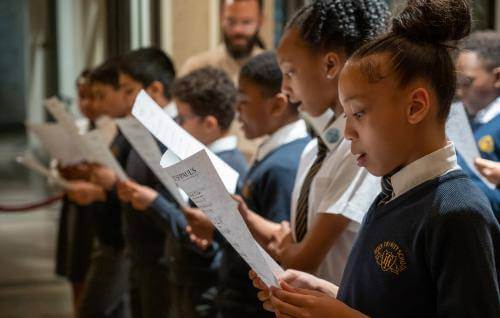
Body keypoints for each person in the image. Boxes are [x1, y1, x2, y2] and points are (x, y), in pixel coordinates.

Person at [252, 0, 500, 317]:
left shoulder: (457, 210)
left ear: (415, 107)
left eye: (357, 113)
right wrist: (324, 292)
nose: (347, 132)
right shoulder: (391, 193)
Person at [229, 0, 388, 287]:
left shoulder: (361, 151)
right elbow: (297, 240)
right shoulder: (315, 148)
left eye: (290, 72)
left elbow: (303, 260)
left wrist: (286, 247)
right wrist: (246, 218)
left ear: (330, 64)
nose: (285, 88)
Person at [187, 52, 310, 318]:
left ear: (277, 106)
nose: (236, 111)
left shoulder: (284, 166)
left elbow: (276, 249)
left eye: (242, 102)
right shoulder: (272, 153)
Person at [112, 47, 176, 318]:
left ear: (154, 90)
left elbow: (179, 207)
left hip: (162, 262)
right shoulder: (146, 129)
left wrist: (148, 199)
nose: (124, 100)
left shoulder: (174, 135)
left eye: (128, 91)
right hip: (141, 255)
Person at [67, 57, 132, 318]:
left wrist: (100, 188)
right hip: (110, 232)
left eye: (102, 95)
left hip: (121, 239)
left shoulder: (128, 129)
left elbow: (134, 185)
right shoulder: (123, 128)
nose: (98, 105)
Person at [180, 0, 266, 160]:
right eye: (231, 21)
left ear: (261, 20)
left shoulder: (274, 70)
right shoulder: (196, 67)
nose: (238, 30)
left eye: (246, 22)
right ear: (221, 18)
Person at [55, 69, 97, 312]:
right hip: (76, 209)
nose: (87, 104)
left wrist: (86, 172)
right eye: (82, 97)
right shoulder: (78, 128)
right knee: (76, 273)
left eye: (93, 97)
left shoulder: (110, 128)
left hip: (99, 211)